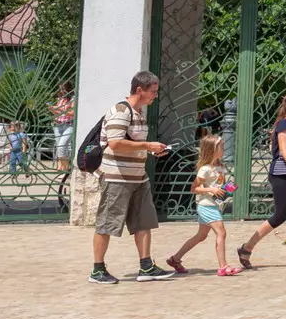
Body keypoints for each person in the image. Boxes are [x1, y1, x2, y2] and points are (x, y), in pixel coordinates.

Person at [89, 70, 175, 285]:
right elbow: (115, 143)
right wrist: (147, 145)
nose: (155, 96)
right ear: (140, 90)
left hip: (138, 177)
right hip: (117, 177)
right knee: (108, 223)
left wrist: (152, 151)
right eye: (152, 92)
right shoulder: (121, 111)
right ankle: (97, 270)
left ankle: (146, 266)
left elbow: (132, 146)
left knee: (143, 221)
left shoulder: (138, 113)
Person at [236, 93, 286, 268]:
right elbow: (283, 151)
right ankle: (247, 247)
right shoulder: (284, 125)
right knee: (280, 215)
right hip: (281, 174)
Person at [167, 132, 239, 276]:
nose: (224, 150)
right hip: (206, 205)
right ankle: (223, 266)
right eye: (221, 148)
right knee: (221, 233)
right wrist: (211, 189)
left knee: (201, 236)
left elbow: (220, 184)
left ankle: (175, 259)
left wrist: (227, 189)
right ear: (212, 150)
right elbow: (194, 188)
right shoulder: (205, 169)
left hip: (215, 204)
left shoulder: (220, 167)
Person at [50, 83, 76, 174]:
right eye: (60, 89)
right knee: (59, 147)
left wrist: (61, 109)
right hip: (58, 125)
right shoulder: (60, 99)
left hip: (69, 125)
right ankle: (62, 168)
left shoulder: (73, 99)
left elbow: (73, 113)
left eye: (63, 89)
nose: (61, 91)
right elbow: (57, 113)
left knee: (62, 146)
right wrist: (52, 109)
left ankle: (65, 170)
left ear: (68, 89)